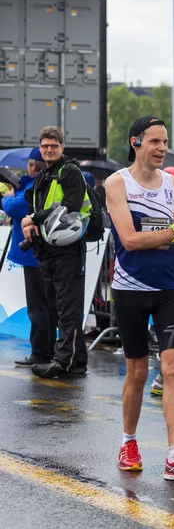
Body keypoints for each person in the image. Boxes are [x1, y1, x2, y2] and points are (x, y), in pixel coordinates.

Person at [105, 115, 174, 484]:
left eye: (165, 142)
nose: (162, 148)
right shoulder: (117, 183)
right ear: (136, 143)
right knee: (136, 371)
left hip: (168, 291)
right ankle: (128, 442)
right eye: (154, 142)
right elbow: (130, 240)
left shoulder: (172, 185)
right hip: (130, 288)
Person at [21, 127, 90, 379]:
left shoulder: (70, 172)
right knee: (57, 307)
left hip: (68, 250)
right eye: (44, 146)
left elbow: (69, 207)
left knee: (67, 307)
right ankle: (77, 360)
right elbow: (34, 203)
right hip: (47, 250)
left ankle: (63, 361)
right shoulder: (44, 174)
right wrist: (32, 223)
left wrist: (32, 218)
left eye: (53, 145)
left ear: (62, 147)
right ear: (39, 148)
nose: (48, 149)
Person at [1, 147, 56, 366]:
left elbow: (15, 207)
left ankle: (41, 353)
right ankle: (48, 350)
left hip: (34, 255)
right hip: (43, 254)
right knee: (46, 306)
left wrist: (7, 196)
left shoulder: (35, 186)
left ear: (33, 166)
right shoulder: (40, 183)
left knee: (38, 306)